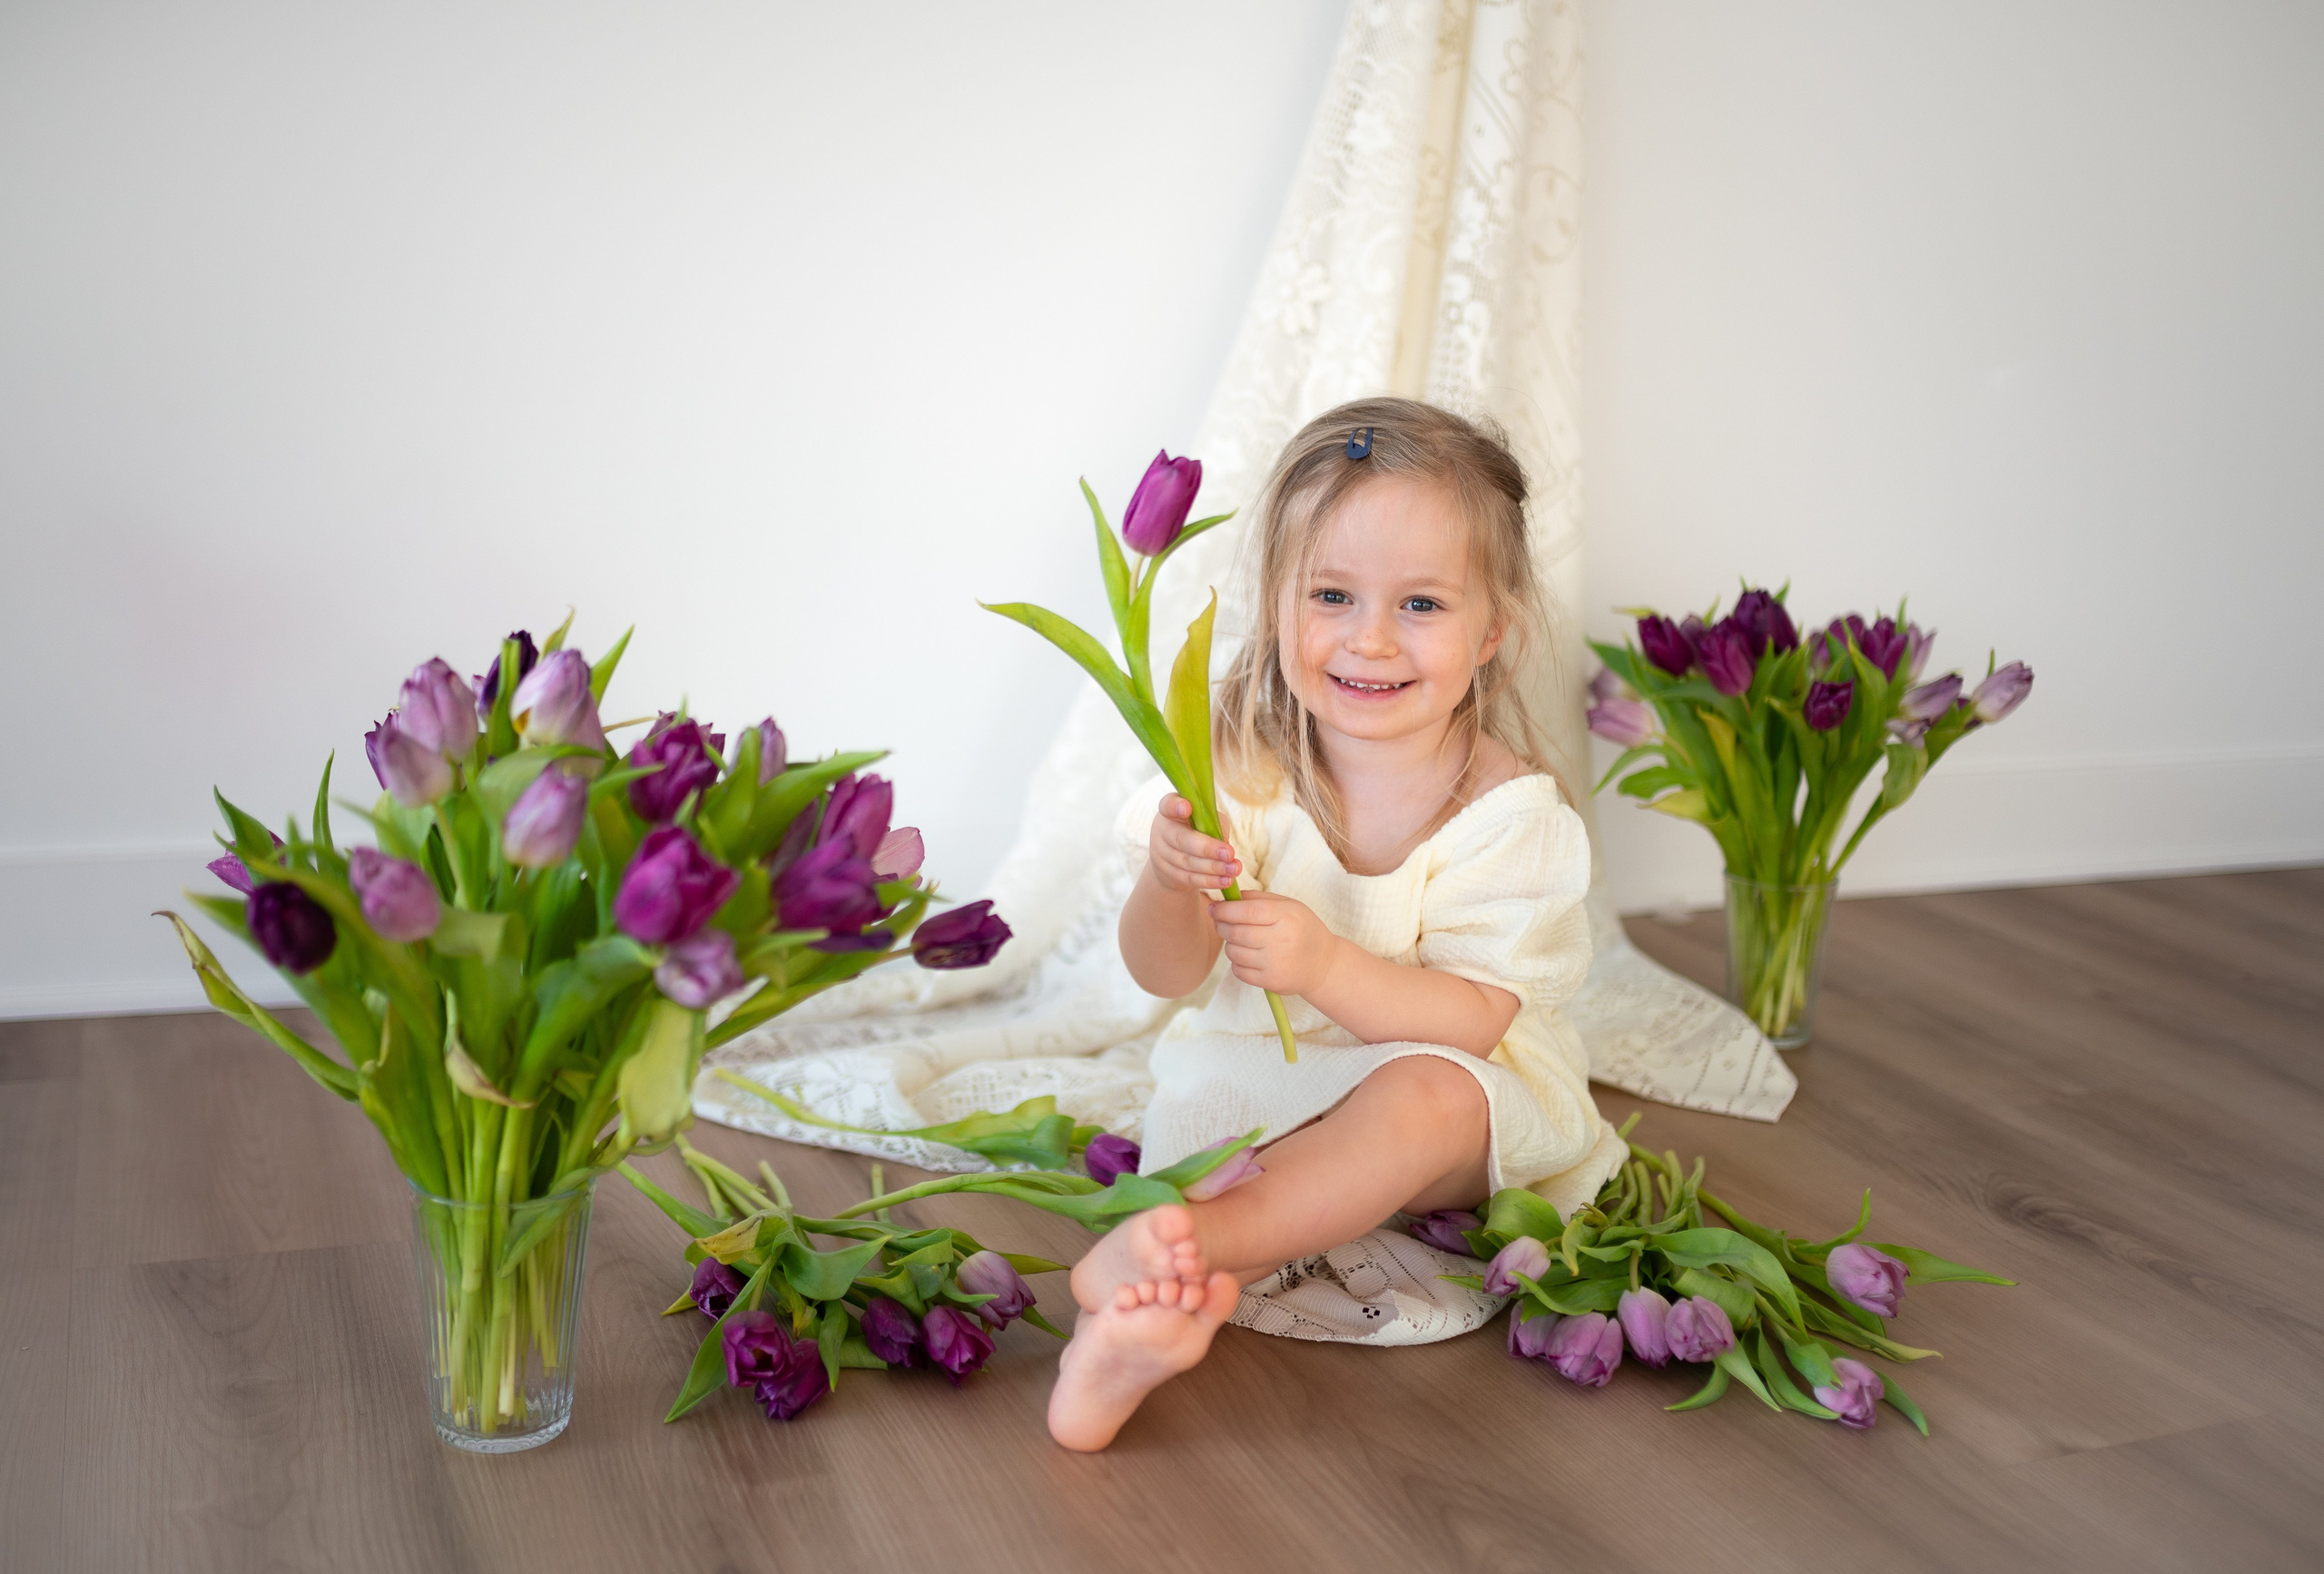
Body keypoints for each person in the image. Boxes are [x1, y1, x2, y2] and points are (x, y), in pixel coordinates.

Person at [1047, 397, 1628, 1451]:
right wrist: (1168, 883)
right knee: (1262, 1155)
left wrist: (1321, 962)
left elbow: (1468, 1021)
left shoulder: (1508, 816)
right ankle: (1137, 1336)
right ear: (1275, 605)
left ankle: (1180, 1242)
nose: (1368, 638)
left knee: (1424, 1100)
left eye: (1420, 604)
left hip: (1445, 1076)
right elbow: (1163, 976)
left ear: (1493, 628)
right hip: (1260, 1082)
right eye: (1330, 594)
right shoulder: (1235, 767)